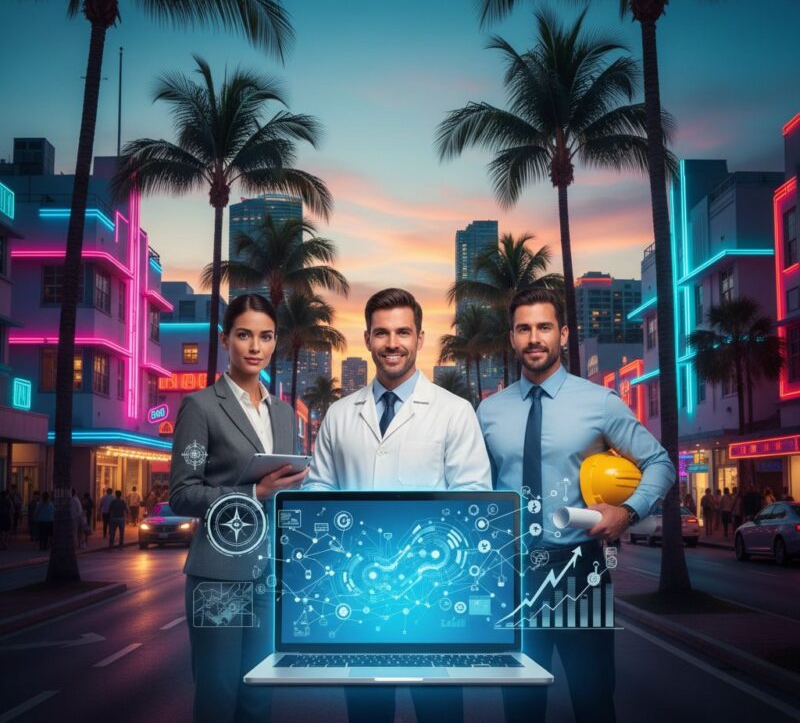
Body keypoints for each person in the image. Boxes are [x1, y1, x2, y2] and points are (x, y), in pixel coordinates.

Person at [476, 287, 676, 723]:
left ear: (562, 333)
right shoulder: (488, 412)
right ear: (511, 337)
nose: (534, 338)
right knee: (521, 706)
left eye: (544, 327)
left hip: (579, 569)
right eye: (524, 328)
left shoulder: (599, 403)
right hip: (515, 574)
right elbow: (478, 489)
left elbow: (660, 462)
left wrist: (628, 512)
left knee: (592, 699)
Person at [306, 287, 492, 723]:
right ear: (367, 338)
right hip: (359, 592)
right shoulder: (339, 414)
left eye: (403, 332)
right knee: (367, 713)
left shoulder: (454, 411)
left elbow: (472, 500)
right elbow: (317, 495)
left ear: (420, 338)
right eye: (382, 333)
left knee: (440, 712)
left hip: (432, 597)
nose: (393, 343)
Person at [170, 293, 304, 723]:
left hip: (268, 575)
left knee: (258, 694)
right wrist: (252, 495)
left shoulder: (284, 414)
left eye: (265, 337)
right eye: (244, 335)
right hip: (217, 579)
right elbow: (182, 493)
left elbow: (286, 488)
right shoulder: (201, 407)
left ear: (275, 342)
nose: (254, 346)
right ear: (225, 339)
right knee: (218, 692)